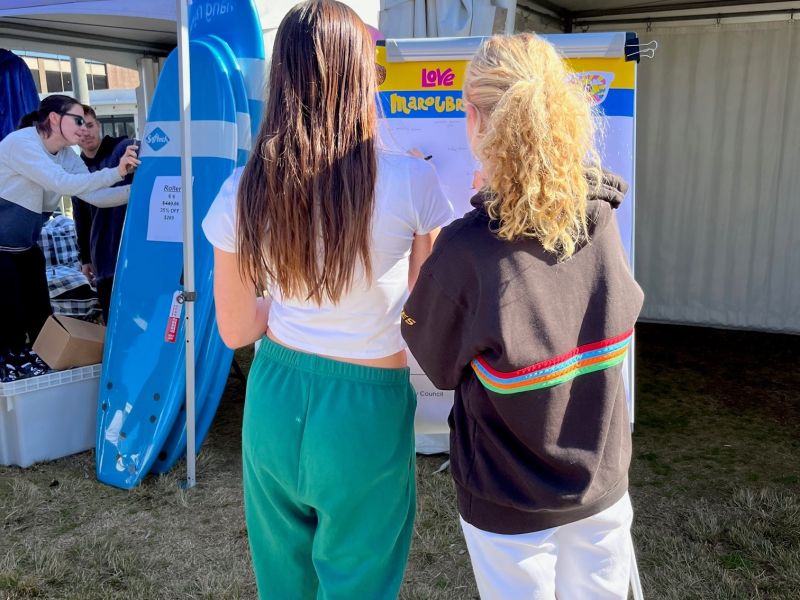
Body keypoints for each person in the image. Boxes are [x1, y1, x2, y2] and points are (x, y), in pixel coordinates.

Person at [202, 1, 452, 597]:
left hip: (274, 398)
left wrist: (280, 308)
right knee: (361, 579)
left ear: (282, 79)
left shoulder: (243, 189)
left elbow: (236, 331)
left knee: (283, 582)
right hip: (366, 409)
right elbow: (429, 319)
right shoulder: (413, 182)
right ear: (363, 74)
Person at [401, 34, 645, 600]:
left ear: (476, 120)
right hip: (601, 480)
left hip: (507, 499)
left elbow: (435, 359)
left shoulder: (466, 250)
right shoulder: (601, 220)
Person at [0, 94, 139, 355]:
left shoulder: (65, 155)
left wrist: (138, 189)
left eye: (87, 123)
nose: (83, 128)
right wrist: (118, 172)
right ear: (54, 119)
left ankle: (40, 369)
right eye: (77, 121)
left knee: (42, 318)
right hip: (2, 250)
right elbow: (63, 183)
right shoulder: (21, 143)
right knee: (11, 322)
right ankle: (11, 372)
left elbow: (96, 196)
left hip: (25, 248)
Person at [72, 105, 136, 321]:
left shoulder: (122, 150)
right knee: (113, 319)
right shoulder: (76, 168)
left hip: (132, 250)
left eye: (89, 125)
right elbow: (80, 217)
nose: (86, 132)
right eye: (79, 128)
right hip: (103, 256)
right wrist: (86, 258)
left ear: (98, 125)